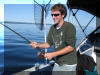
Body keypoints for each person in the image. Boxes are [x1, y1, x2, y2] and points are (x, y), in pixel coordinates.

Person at [30, 4, 77, 75]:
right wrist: (37, 45)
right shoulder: (52, 28)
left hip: (68, 64)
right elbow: (48, 44)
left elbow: (71, 47)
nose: (53, 17)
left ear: (63, 15)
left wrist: (52, 54)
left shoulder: (69, 26)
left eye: (56, 15)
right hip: (58, 62)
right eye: (52, 15)